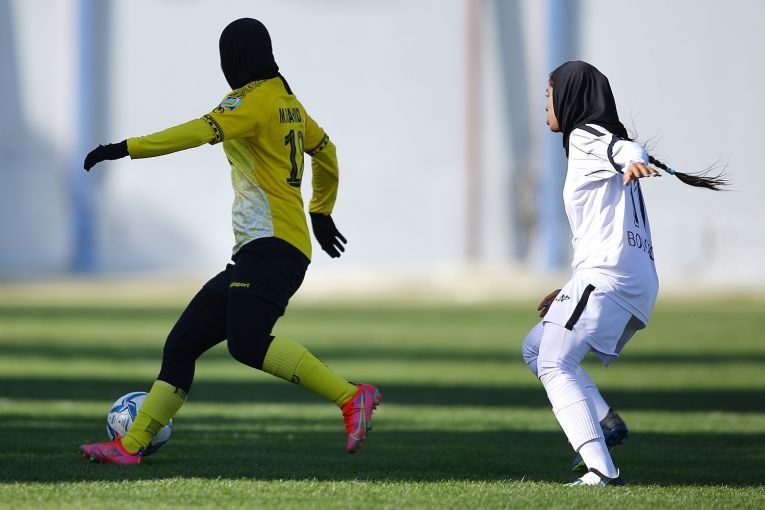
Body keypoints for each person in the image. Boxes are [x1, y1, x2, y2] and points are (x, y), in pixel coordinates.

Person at [78, 18, 381, 465]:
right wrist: (320, 210)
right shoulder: (287, 101)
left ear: (233, 58)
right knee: (182, 345)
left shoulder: (250, 100)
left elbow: (197, 131)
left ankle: (351, 396)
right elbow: (326, 150)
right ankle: (130, 446)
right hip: (267, 248)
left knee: (247, 342)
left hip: (271, 246)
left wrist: (124, 148)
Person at [521, 60, 726, 486]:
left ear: (571, 96)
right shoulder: (595, 141)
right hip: (628, 277)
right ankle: (604, 419)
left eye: (549, 94)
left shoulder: (586, 135)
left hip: (609, 276)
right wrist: (571, 289)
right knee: (536, 347)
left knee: (555, 362)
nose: (545, 103)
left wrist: (634, 159)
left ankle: (602, 470)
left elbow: (624, 151)